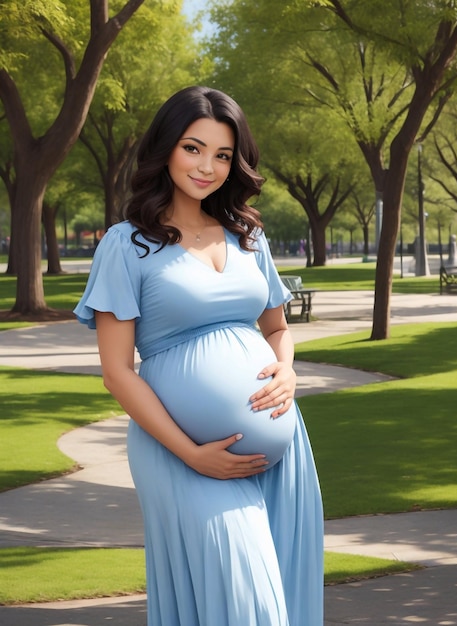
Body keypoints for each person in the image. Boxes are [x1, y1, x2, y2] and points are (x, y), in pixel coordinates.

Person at [74, 85, 323, 626]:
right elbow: (117, 374)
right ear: (166, 147)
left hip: (284, 451)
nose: (207, 166)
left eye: (222, 154)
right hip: (182, 458)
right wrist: (192, 454)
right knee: (244, 603)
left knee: (284, 599)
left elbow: (278, 327)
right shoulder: (128, 243)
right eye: (193, 147)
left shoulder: (246, 235)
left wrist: (287, 369)